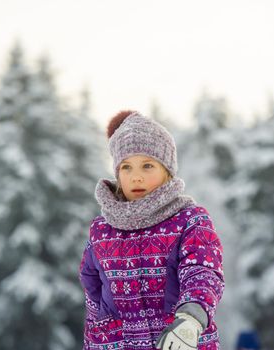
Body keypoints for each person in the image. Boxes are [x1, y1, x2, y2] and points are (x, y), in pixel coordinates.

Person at [79, 110, 225, 350]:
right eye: (126, 167)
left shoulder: (189, 221)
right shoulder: (101, 232)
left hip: (179, 341)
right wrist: (97, 336)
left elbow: (202, 272)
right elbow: (92, 291)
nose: (136, 177)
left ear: (167, 171)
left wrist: (191, 318)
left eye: (147, 165)